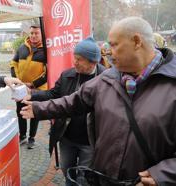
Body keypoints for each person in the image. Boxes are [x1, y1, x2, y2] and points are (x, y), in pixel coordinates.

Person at [20, 17, 176, 185]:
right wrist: (38, 109)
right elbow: (73, 101)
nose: (107, 52)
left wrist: (162, 174)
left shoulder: (171, 85)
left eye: (114, 45)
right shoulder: (107, 78)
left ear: (137, 42)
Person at [25, 37, 105, 185]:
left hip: (90, 140)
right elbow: (53, 94)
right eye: (74, 57)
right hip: (66, 136)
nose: (75, 62)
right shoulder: (67, 75)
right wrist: (32, 94)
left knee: (84, 177)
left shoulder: (105, 79)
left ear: (93, 62)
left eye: (79, 59)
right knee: (66, 169)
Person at [10, 24, 47, 149]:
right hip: (21, 88)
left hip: (36, 89)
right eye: (31, 33)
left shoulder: (46, 50)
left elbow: (48, 72)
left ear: (41, 34)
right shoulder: (22, 47)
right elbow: (13, 63)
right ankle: (22, 136)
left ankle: (32, 137)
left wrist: (33, 84)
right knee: (20, 112)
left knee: (34, 112)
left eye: (36, 33)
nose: (33, 36)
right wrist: (16, 80)